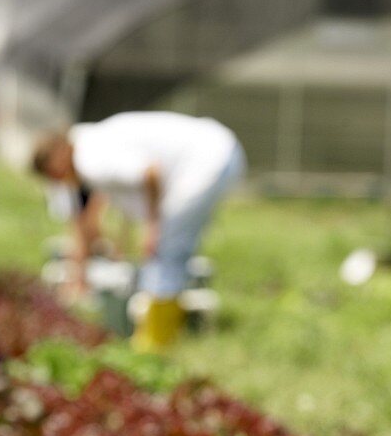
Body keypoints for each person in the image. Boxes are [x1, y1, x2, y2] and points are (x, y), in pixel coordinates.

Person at [31, 111, 246, 351]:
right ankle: (165, 335)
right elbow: (101, 208)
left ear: (58, 156)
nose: (58, 180)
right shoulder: (89, 142)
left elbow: (149, 173)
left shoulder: (90, 159)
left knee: (164, 250)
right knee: (169, 252)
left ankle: (157, 342)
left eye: (53, 173)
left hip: (207, 160)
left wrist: (152, 227)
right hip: (216, 150)